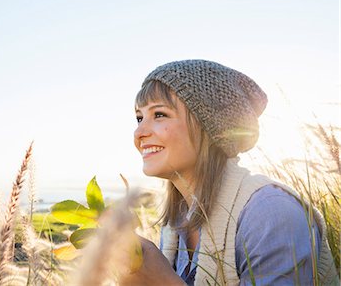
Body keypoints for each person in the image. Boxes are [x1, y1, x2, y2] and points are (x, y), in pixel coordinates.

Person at [120, 60, 338, 285]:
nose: (139, 133)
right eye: (139, 118)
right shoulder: (175, 225)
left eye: (159, 114)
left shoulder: (271, 214)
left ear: (208, 125)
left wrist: (164, 282)